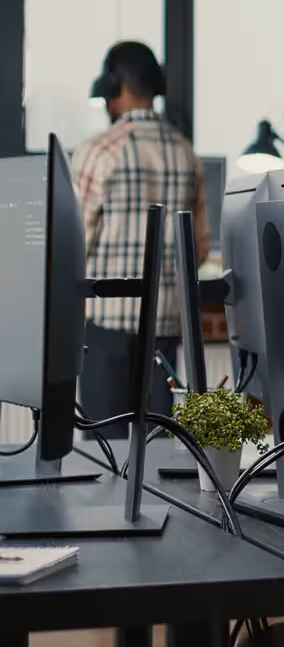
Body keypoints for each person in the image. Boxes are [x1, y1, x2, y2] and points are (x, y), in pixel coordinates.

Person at [73, 41, 210, 438]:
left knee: (106, 455)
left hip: (107, 329)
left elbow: (73, 248)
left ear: (114, 88)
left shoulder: (98, 152)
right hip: (164, 330)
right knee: (160, 456)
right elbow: (198, 250)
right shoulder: (187, 154)